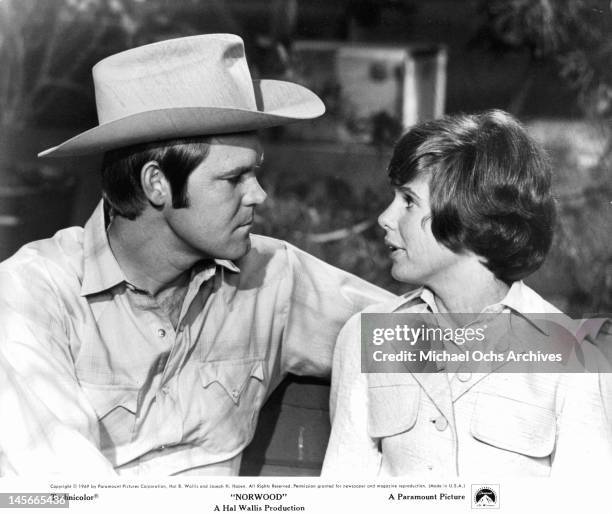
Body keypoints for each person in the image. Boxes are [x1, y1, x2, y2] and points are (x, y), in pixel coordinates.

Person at [0, 34, 394, 476]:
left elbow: (445, 343)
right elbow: (60, 490)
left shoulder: (272, 279)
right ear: (156, 185)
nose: (258, 195)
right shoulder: (32, 293)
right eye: (234, 178)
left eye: (256, 173)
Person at [321, 110, 612, 477]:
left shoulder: (574, 355)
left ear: (470, 217)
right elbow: (343, 490)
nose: (385, 217)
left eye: (408, 201)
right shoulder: (365, 336)